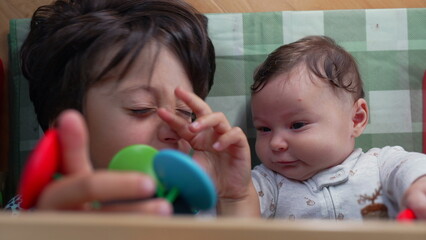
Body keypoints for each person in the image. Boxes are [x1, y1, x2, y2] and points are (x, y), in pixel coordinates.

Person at [5, 0, 259, 217]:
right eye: (141, 108)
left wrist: (235, 198)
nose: (175, 129)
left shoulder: (195, 203)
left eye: (185, 112)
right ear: (63, 124)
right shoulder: (32, 216)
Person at [249, 35, 426, 220]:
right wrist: (236, 194)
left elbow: (411, 166)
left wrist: (420, 184)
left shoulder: (380, 165)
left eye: (297, 125)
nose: (276, 143)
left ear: (356, 119)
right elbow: (237, 214)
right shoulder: (268, 184)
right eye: (264, 129)